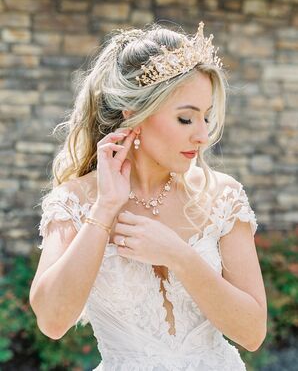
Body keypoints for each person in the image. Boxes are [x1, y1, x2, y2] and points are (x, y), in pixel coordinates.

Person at [29, 21, 267, 370]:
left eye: (207, 117)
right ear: (134, 113)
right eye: (186, 119)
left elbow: (252, 333)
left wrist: (179, 256)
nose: (202, 135)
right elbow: (52, 321)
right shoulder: (74, 202)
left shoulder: (222, 197)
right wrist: (105, 207)